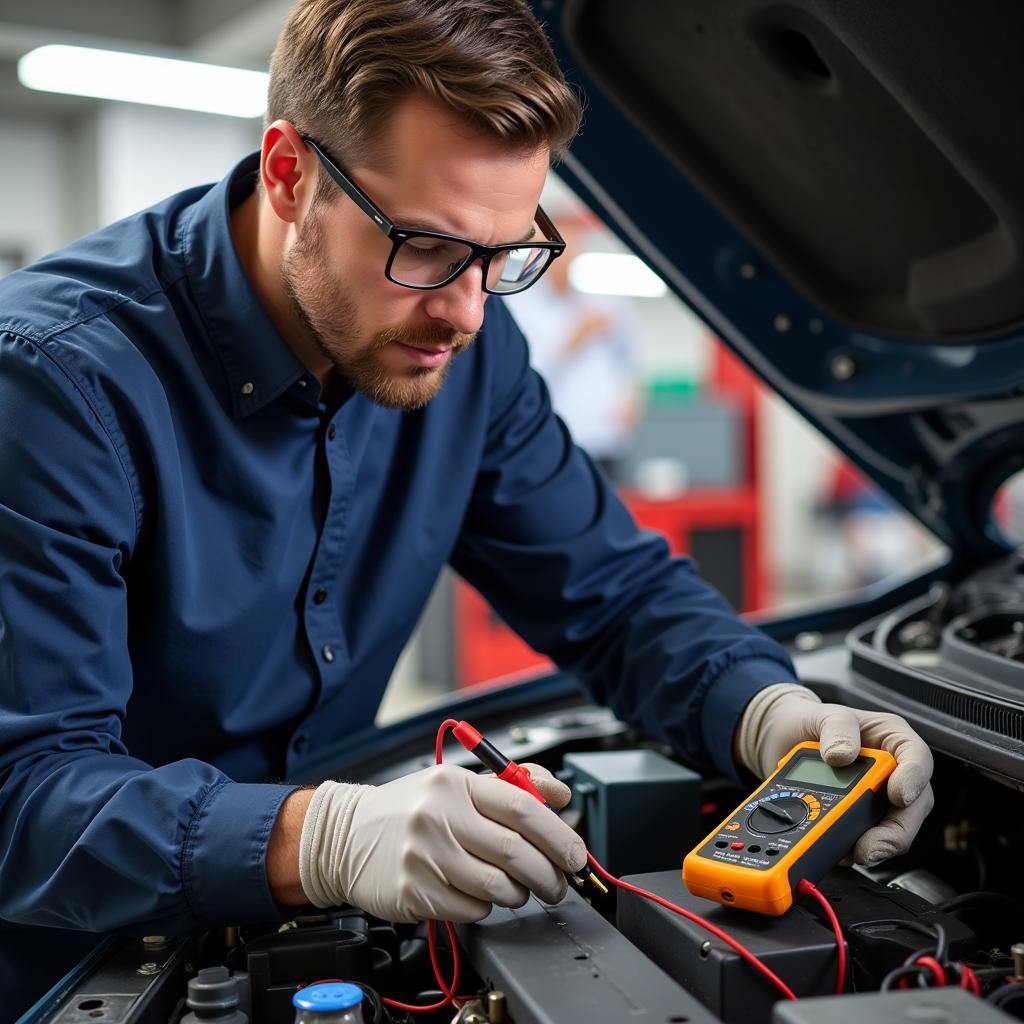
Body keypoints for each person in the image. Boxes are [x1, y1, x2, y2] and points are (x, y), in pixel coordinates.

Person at [0, 0, 934, 1015]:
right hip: (66, 970)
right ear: (287, 172)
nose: (466, 309)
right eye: (428, 247)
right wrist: (321, 835)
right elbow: (26, 795)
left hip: (303, 944)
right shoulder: (53, 387)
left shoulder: (471, 355)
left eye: (504, 255)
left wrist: (767, 712)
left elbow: (614, 595)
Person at [509, 211, 642, 481]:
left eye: (576, 244)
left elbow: (629, 359)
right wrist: (576, 337)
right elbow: (527, 371)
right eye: (562, 245)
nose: (569, 254)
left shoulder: (603, 301)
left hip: (605, 437)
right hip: (557, 436)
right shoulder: (520, 306)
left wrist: (632, 400)